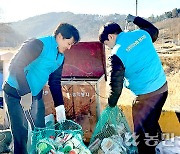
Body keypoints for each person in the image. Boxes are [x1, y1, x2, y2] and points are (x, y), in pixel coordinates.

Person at [2, 23, 80, 154]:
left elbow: (54, 82)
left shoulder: (60, 57)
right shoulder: (38, 45)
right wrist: (25, 93)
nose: (70, 47)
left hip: (35, 95)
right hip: (15, 93)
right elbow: (15, 66)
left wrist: (60, 108)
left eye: (72, 44)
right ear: (60, 36)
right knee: (21, 133)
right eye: (69, 43)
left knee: (40, 132)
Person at [98, 14, 168, 154]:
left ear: (111, 37)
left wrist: (111, 105)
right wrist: (135, 19)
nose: (109, 47)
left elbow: (115, 88)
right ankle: (159, 147)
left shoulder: (116, 53)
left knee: (141, 137)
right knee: (151, 123)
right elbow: (153, 30)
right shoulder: (142, 34)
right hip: (163, 89)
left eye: (107, 44)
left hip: (146, 98)